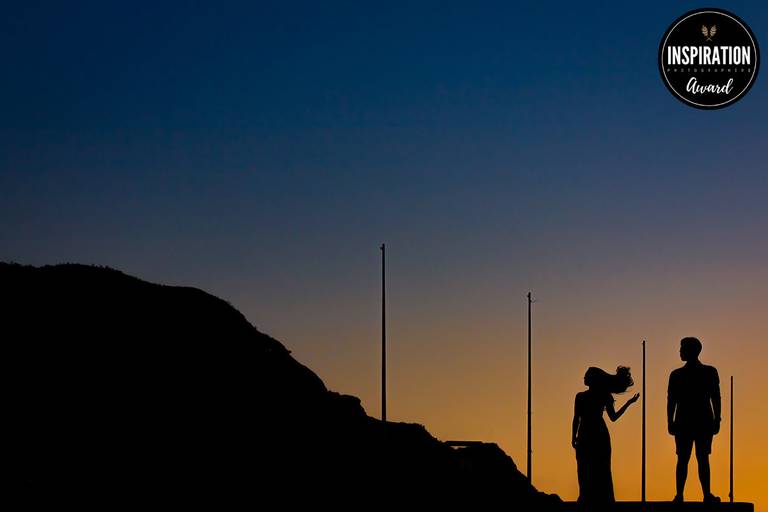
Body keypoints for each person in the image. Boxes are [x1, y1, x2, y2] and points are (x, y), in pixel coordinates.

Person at [572, 366, 639, 506]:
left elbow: (577, 418)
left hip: (593, 434)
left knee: (592, 468)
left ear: (593, 379)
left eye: (586, 375)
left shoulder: (587, 396)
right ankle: (587, 497)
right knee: (587, 467)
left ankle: (590, 498)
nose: (584, 378)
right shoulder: (588, 396)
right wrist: (573, 437)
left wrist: (628, 403)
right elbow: (576, 418)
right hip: (591, 433)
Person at [667, 337, 721, 503]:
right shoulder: (676, 374)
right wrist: (670, 421)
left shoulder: (710, 371)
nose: (680, 351)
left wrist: (717, 419)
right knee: (684, 458)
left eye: (682, 348)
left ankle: (705, 494)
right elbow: (672, 400)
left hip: (701, 419)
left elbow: (716, 397)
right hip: (686, 420)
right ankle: (680, 494)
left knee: (701, 457)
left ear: (692, 350)